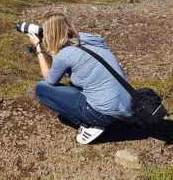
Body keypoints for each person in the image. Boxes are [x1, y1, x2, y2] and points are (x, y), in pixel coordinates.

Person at [29, 11, 132, 144]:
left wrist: (38, 47)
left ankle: (91, 125)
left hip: (105, 113)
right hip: (127, 105)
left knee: (41, 88)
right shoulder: (89, 39)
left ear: (52, 33)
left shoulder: (65, 55)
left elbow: (50, 80)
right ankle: (100, 117)